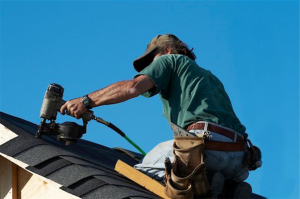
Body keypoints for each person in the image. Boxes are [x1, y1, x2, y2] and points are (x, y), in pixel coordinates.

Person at [60, 34, 253, 198]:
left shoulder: (170, 60)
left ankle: (200, 180)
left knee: (141, 172)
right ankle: (226, 189)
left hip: (204, 149)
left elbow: (132, 87)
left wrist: (85, 101)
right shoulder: (210, 78)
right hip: (239, 160)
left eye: (152, 59)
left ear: (167, 50)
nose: (150, 66)